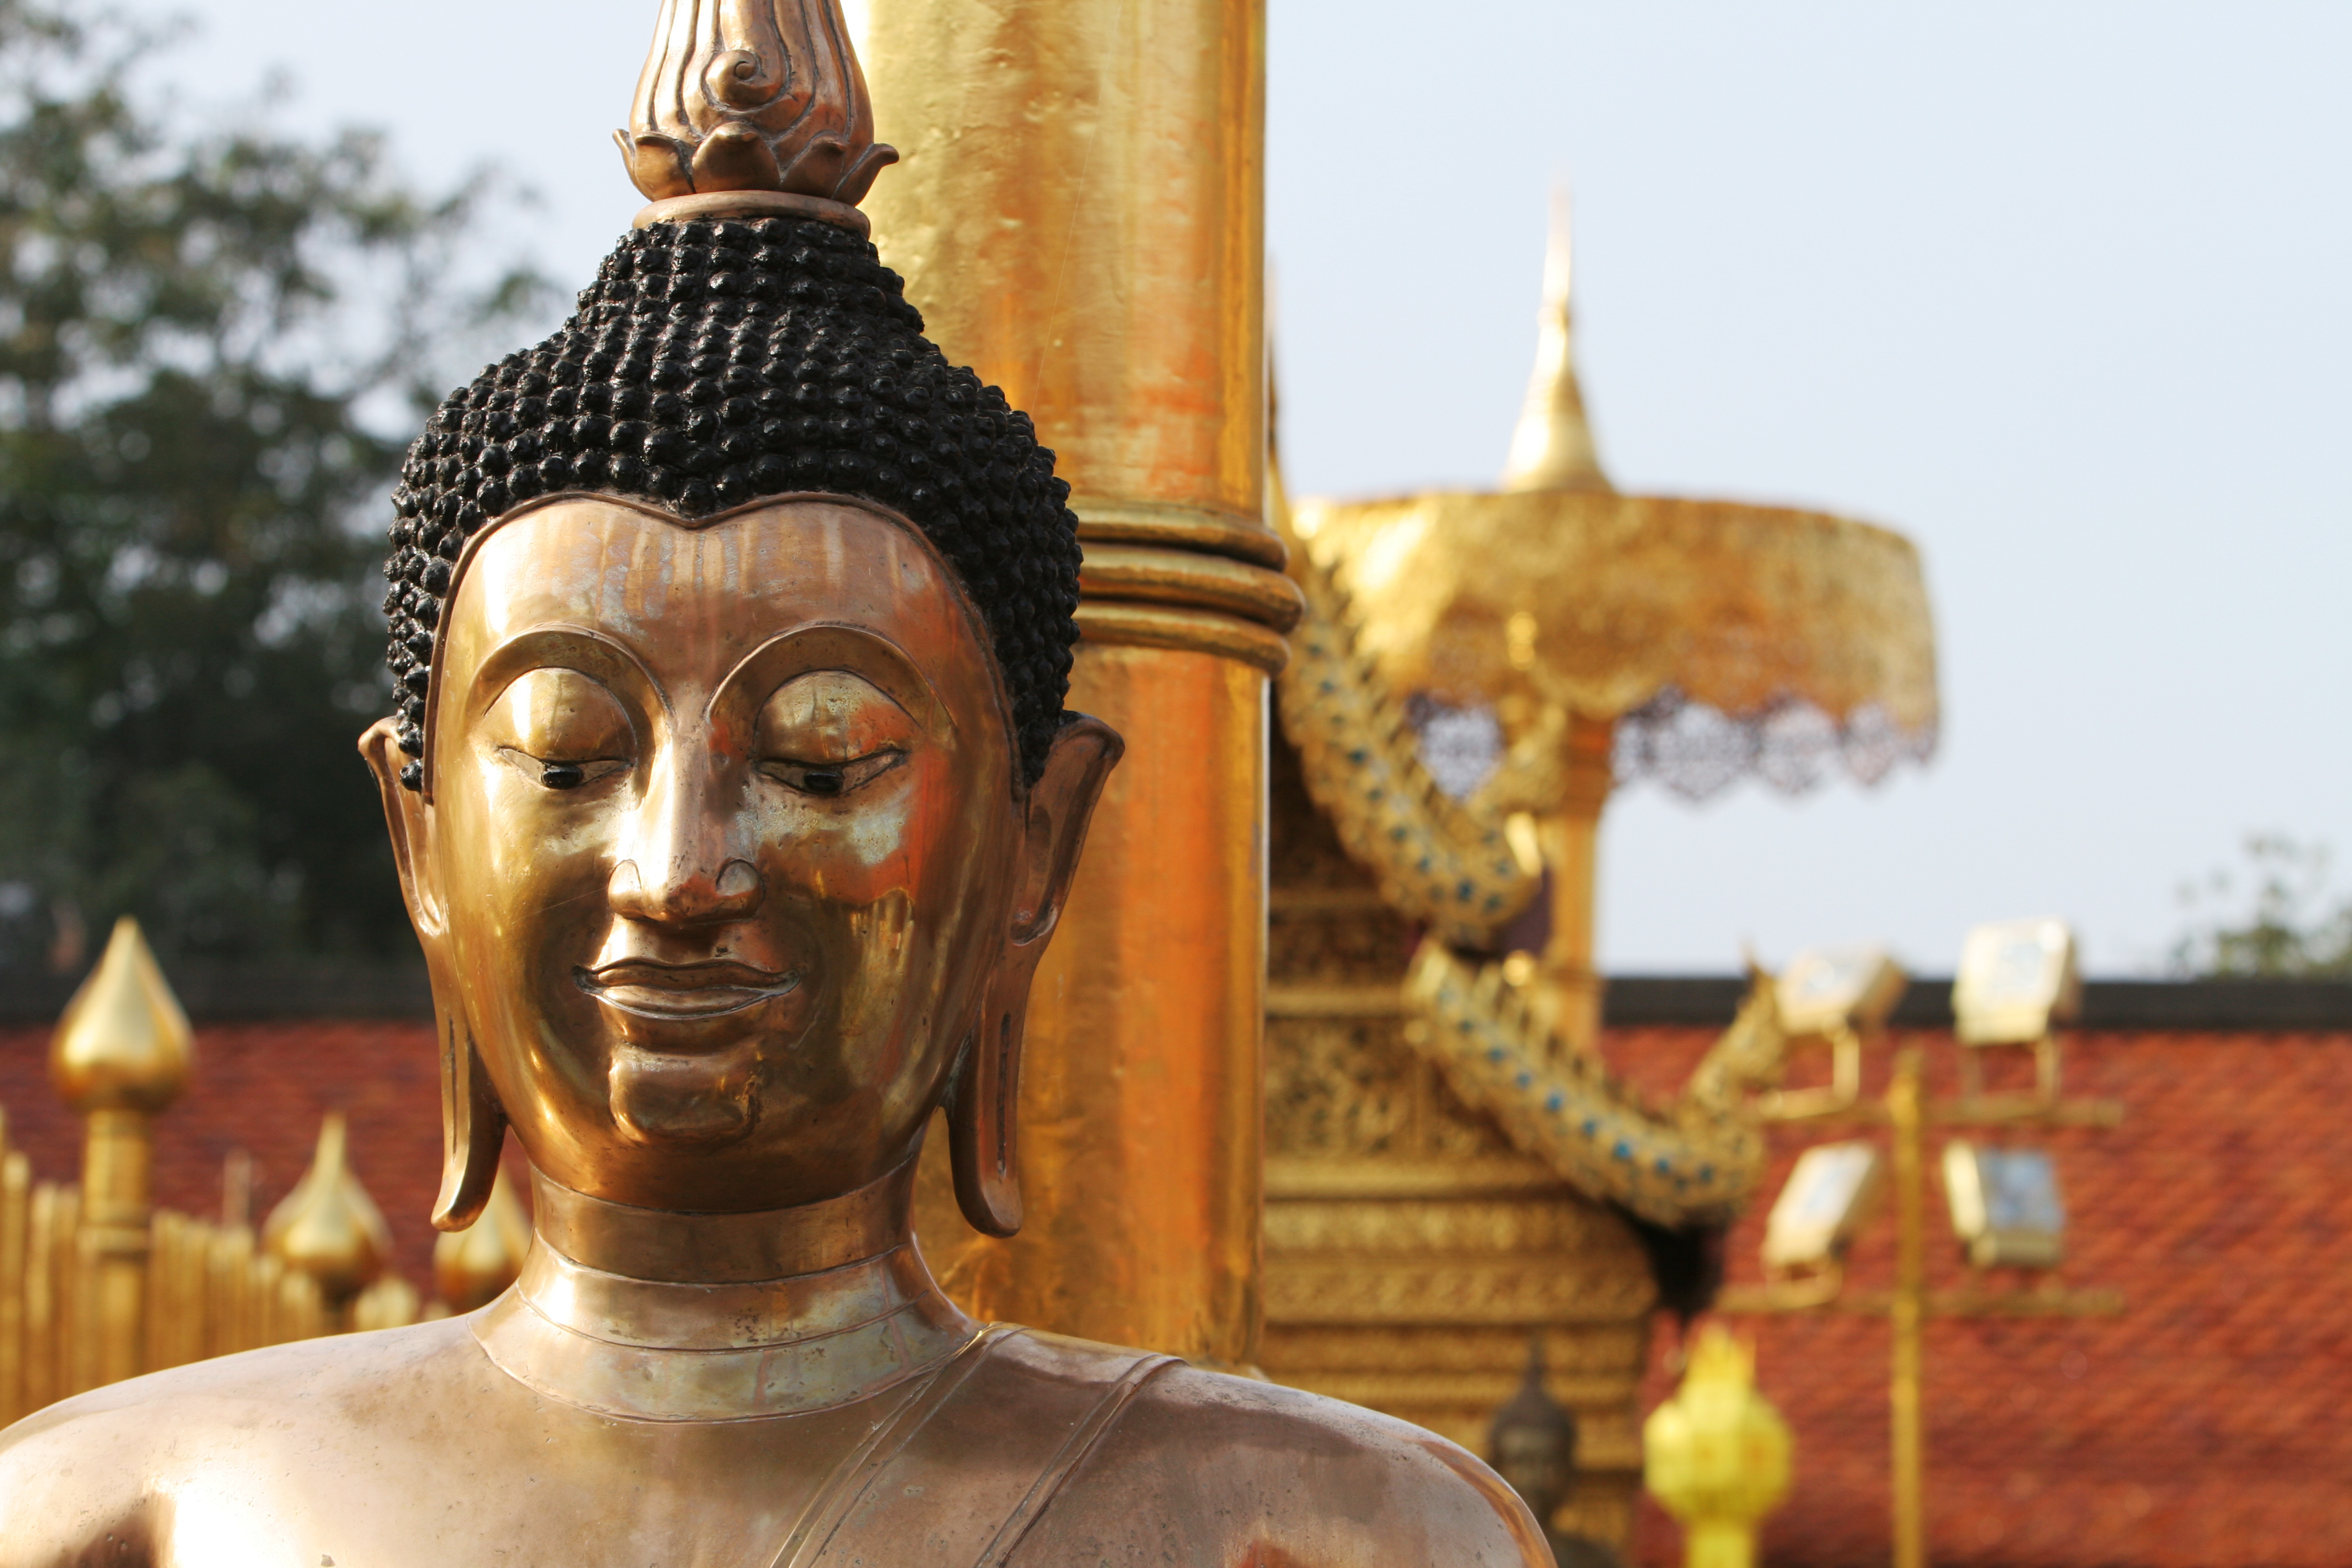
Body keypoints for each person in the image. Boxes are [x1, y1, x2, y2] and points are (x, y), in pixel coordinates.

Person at [0, 9, 1550, 1559]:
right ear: (416, 833)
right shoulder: (129, 1514)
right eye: (566, 755)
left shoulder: (1332, 1535)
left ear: (1035, 842)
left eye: (822, 757)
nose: (675, 870)